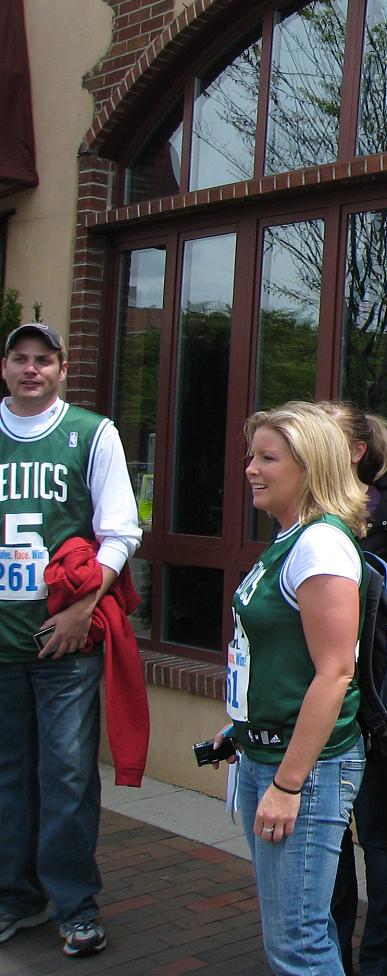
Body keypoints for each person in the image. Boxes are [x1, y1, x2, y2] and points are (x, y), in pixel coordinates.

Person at [0, 322, 142, 959]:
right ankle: (15, 896)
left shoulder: (92, 433)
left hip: (64, 640)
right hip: (2, 644)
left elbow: (121, 532)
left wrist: (85, 609)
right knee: (7, 777)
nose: (32, 370)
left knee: (66, 774)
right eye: (20, 359)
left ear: (62, 368)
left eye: (44, 360)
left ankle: (75, 903)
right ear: (4, 367)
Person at [218, 401, 369, 976]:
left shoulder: (320, 546)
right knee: (296, 930)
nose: (251, 469)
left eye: (268, 458)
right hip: (269, 753)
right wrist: (240, 723)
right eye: (252, 456)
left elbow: (334, 673)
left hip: (303, 769)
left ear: (309, 467)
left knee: (299, 942)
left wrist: (287, 784)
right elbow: (277, 656)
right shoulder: (290, 539)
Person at [321, 403, 387, 976]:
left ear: (356, 451)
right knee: (356, 829)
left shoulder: (372, 511)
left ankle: (366, 958)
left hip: (368, 694)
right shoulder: (322, 503)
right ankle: (346, 955)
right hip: (372, 691)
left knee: (371, 828)